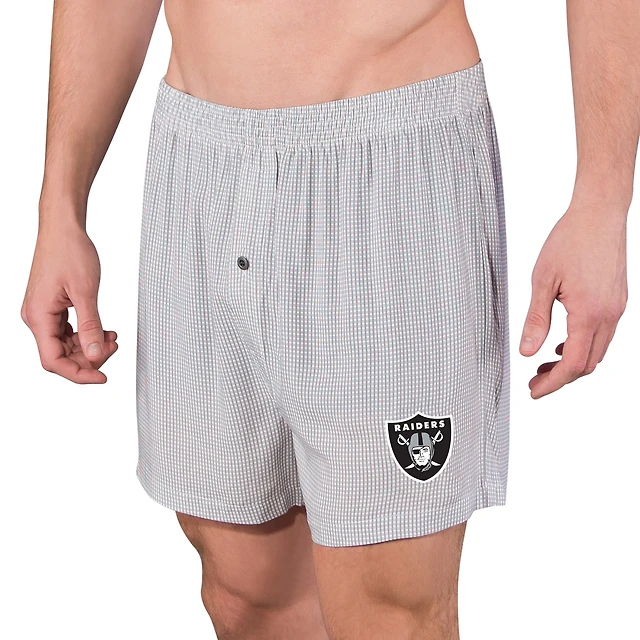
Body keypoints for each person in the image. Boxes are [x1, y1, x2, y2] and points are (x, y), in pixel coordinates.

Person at [20, 0, 637, 638]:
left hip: (389, 167)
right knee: (245, 591)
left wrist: (602, 200)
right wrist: (60, 205)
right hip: (200, 166)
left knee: (391, 610)